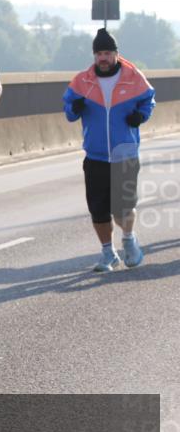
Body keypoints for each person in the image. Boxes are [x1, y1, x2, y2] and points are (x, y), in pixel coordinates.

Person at [63, 28, 154, 272]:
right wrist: (76, 107)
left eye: (107, 53)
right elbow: (69, 111)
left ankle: (128, 239)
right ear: (94, 56)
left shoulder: (133, 76)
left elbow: (149, 99)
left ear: (115, 54)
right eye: (99, 53)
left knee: (122, 207)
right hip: (95, 155)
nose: (103, 58)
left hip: (125, 152)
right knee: (98, 209)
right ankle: (107, 252)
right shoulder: (82, 81)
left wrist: (141, 115)